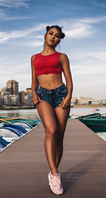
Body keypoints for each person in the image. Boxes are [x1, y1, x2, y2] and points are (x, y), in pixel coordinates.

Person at [31, 25, 73, 195]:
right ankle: (55, 174)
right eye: (51, 34)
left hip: (61, 94)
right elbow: (33, 79)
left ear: (59, 40)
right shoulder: (34, 58)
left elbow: (69, 79)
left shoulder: (62, 57)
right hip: (43, 96)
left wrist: (69, 96)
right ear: (45, 35)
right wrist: (33, 93)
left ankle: (52, 171)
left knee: (60, 136)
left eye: (57, 36)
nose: (53, 37)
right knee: (51, 130)